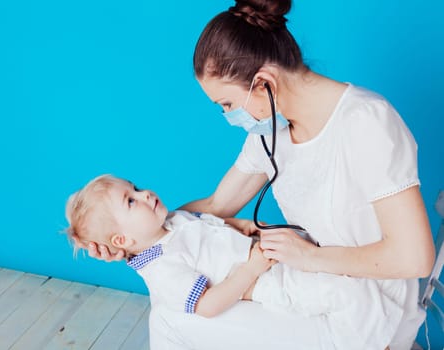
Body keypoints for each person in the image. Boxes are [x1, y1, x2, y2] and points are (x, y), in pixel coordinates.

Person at [77, 0, 435, 349]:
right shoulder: (269, 133)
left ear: (263, 83)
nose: (229, 117)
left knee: (171, 320)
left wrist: (308, 257)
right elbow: (217, 205)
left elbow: (415, 257)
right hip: (309, 286)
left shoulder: (366, 122)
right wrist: (137, 243)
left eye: (227, 105)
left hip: (370, 310)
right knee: (177, 307)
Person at [65, 174, 404, 350]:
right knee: (343, 294)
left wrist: (247, 226)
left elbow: (217, 224)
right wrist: (252, 269)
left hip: (270, 260)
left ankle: (377, 336)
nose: (146, 194)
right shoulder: (161, 267)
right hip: (267, 283)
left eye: (136, 188)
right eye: (131, 201)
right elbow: (208, 305)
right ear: (122, 241)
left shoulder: (176, 221)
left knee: (349, 285)